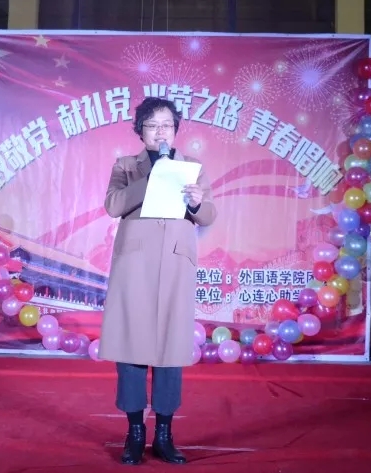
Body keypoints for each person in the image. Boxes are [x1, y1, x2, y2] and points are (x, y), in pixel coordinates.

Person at [99, 97, 217, 465]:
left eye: (167, 125)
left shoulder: (192, 168)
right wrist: (151, 178)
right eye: (152, 125)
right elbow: (113, 206)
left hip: (176, 264)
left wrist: (196, 202)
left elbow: (208, 215)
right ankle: (135, 432)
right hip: (135, 265)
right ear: (141, 131)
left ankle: (164, 434)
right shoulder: (126, 166)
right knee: (131, 346)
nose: (160, 132)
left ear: (176, 130)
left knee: (170, 349)